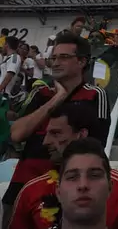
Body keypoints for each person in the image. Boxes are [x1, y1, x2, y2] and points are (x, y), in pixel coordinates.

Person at [3, 30, 110, 213]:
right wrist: (57, 98)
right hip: (24, 182)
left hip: (68, 186)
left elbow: (97, 145)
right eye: (53, 58)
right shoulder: (41, 93)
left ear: (82, 61)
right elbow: (17, 134)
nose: (56, 63)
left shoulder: (95, 95)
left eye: (64, 57)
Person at [0, 37, 22, 102]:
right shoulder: (8, 58)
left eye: (3, 44)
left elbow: (9, 76)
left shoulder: (15, 57)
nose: (2, 47)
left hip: (3, 94)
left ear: (6, 45)